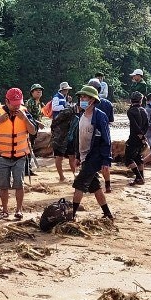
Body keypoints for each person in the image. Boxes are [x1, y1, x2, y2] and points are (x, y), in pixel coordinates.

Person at [0, 87, 37, 220]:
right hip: (2, 155)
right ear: (6, 101)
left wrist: (25, 119)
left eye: (18, 104)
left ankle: (19, 210)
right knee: (2, 185)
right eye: (13, 104)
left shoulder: (24, 112)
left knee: (19, 184)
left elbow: (33, 131)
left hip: (20, 156)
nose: (16, 107)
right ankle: (4, 210)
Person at [72, 84, 113, 221]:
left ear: (92, 100)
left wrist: (106, 160)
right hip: (84, 156)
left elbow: (106, 139)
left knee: (79, 184)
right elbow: (80, 138)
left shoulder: (100, 117)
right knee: (95, 186)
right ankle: (107, 213)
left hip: (94, 156)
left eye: (84, 97)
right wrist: (78, 156)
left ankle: (71, 214)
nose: (82, 99)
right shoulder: (82, 116)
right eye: (81, 97)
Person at [88, 78, 114, 193]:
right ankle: (107, 185)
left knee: (90, 159)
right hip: (105, 135)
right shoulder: (107, 104)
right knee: (105, 161)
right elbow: (110, 121)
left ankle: (92, 184)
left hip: (91, 136)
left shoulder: (88, 102)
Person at [51, 99, 79, 182]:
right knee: (59, 157)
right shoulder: (67, 111)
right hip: (60, 138)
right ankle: (61, 177)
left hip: (72, 138)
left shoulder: (83, 113)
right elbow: (55, 121)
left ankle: (75, 176)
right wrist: (56, 134)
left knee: (72, 156)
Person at [125, 91, 149, 185]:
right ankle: (141, 177)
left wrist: (139, 134)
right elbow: (147, 125)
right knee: (138, 157)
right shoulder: (144, 110)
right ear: (141, 100)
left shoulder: (131, 111)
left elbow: (134, 125)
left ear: (131, 100)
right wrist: (143, 135)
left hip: (134, 137)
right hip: (142, 137)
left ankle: (139, 177)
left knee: (128, 159)